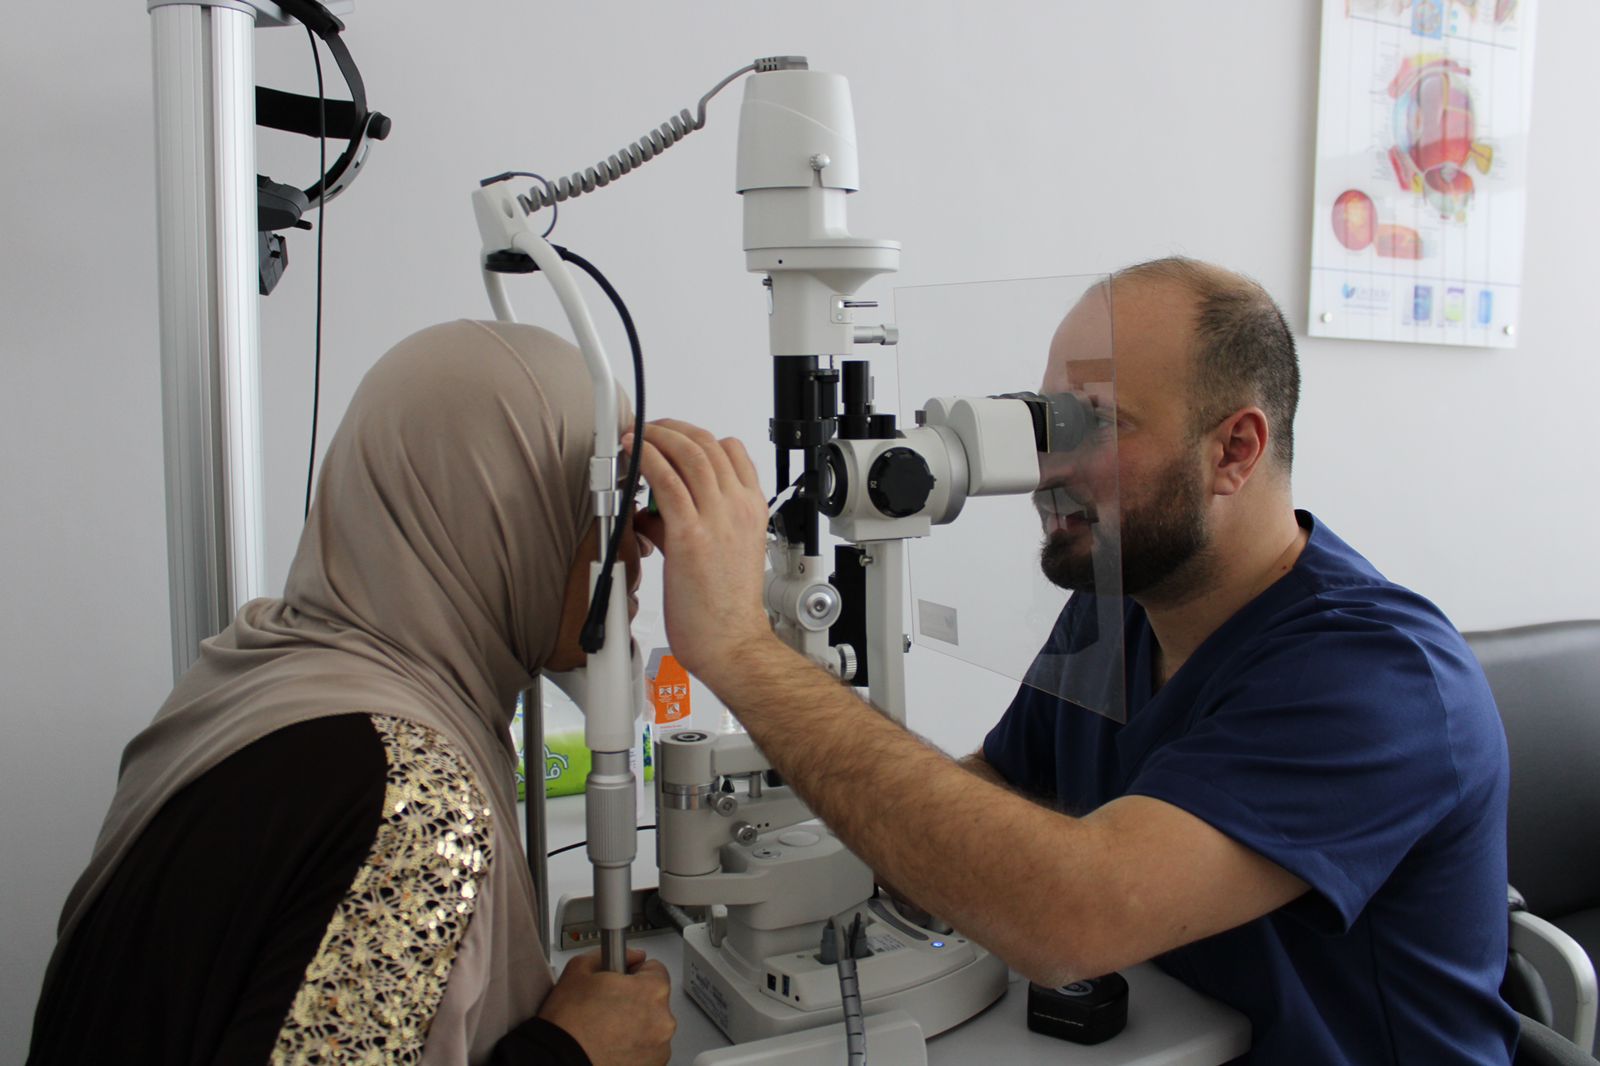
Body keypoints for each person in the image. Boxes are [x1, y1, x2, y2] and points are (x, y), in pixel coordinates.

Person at [628, 258, 1518, 1064]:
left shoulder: (1376, 677)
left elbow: (1070, 917)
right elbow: (990, 805)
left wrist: (742, 652)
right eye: (1043, 418)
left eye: (1096, 423)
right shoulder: (1116, 606)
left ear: (1235, 450)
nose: (1043, 466)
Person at [28, 320, 675, 1066]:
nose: (638, 545)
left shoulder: (257, 675)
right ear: (505, 522)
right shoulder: (415, 802)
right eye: (603, 509)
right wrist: (573, 1053)